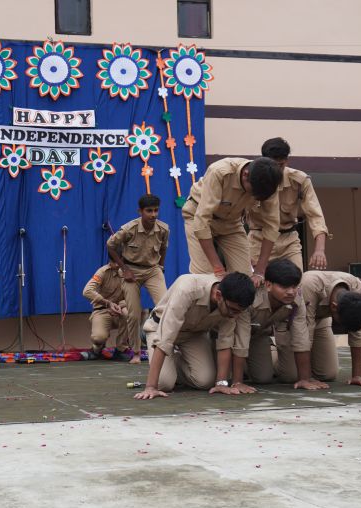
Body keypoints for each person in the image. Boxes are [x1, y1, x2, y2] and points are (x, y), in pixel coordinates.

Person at [133, 272, 256, 400]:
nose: (235, 316)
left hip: (193, 334)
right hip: (160, 328)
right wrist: (151, 387)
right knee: (164, 384)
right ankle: (160, 357)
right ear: (219, 295)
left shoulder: (230, 304)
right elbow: (165, 337)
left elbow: (225, 341)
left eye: (239, 312)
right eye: (233, 310)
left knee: (205, 381)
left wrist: (221, 384)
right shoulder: (188, 288)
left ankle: (173, 361)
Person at [180, 156, 282, 285]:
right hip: (197, 215)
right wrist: (218, 269)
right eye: (253, 193)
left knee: (244, 280)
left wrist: (260, 271)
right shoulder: (219, 172)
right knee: (206, 279)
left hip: (231, 222)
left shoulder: (269, 184)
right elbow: (202, 221)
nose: (255, 197)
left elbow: (272, 226)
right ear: (245, 175)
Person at [247, 138, 330, 271]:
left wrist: (319, 250)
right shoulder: (252, 179)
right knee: (256, 280)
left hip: (288, 240)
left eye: (280, 165)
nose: (277, 170)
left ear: (287, 161)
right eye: (273, 165)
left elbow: (315, 215)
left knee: (297, 280)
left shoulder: (299, 180)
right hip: (258, 239)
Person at [106, 194, 169, 361]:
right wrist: (124, 268)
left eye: (156, 210)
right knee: (133, 314)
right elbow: (110, 246)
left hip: (152, 270)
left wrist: (161, 267)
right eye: (149, 211)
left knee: (166, 307)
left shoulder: (163, 229)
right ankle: (135, 353)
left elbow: (164, 248)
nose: (153, 214)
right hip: (131, 271)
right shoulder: (129, 229)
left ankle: (166, 345)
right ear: (140, 211)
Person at [242, 260, 320, 389]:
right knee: (208, 379)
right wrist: (237, 382)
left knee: (266, 378)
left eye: (294, 286)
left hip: (258, 335)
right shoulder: (251, 294)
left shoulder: (296, 297)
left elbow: (301, 337)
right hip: (231, 337)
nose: (291, 292)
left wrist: (304, 379)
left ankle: (267, 355)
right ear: (268, 285)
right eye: (284, 287)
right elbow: (238, 335)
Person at [294, 270, 361, 387]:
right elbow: (303, 332)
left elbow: (359, 334)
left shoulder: (357, 287)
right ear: (333, 307)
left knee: (327, 374)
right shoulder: (309, 285)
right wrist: (305, 379)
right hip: (294, 322)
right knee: (290, 375)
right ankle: (275, 351)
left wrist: (357, 375)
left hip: (321, 320)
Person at [81, 261, 133, 360]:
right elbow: (87, 291)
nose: (117, 264)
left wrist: (119, 305)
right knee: (98, 338)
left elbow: (133, 296)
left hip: (120, 311)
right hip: (102, 310)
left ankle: (121, 349)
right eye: (114, 261)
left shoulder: (128, 272)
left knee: (128, 313)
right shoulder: (103, 272)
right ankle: (97, 349)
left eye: (119, 260)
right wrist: (107, 303)